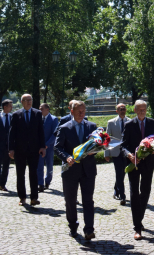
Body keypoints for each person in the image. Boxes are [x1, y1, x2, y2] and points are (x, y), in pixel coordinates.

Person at [54, 100, 98, 241]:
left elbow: (98, 145)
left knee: (88, 201)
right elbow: (57, 147)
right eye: (79, 111)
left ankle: (89, 229)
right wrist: (66, 157)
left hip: (88, 170)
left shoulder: (92, 126)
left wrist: (95, 151)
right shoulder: (64, 128)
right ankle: (73, 225)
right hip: (70, 170)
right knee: (70, 201)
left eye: (83, 111)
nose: (81, 113)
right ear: (71, 111)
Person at [121, 99, 154, 240]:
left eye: (144, 109)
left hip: (148, 163)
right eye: (140, 109)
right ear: (135, 110)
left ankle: (139, 217)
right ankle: (137, 227)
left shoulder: (152, 123)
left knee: (146, 191)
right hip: (134, 163)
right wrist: (129, 155)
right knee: (134, 193)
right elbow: (123, 146)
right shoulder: (129, 125)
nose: (142, 111)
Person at [8, 94, 46, 206]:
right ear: (22, 101)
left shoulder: (37, 113)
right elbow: (12, 133)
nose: (29, 102)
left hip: (34, 149)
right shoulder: (16, 115)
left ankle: (34, 197)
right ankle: (22, 197)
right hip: (20, 149)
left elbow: (41, 131)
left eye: (31, 100)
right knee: (20, 174)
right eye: (27, 100)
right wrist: (11, 149)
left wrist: (42, 146)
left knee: (33, 173)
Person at [105, 103, 130, 205]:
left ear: (126, 110)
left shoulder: (130, 122)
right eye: (120, 109)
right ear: (117, 111)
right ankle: (122, 196)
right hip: (116, 152)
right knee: (119, 172)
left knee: (122, 173)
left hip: (127, 152)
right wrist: (106, 153)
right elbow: (106, 139)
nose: (122, 110)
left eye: (123, 108)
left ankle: (116, 188)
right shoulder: (111, 123)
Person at [37, 103, 59, 191]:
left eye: (42, 109)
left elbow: (55, 134)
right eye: (39, 109)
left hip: (49, 147)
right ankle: (40, 184)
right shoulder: (38, 119)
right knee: (39, 166)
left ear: (47, 109)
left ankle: (47, 181)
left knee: (49, 165)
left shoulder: (53, 119)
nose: (40, 110)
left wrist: (47, 144)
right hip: (39, 147)